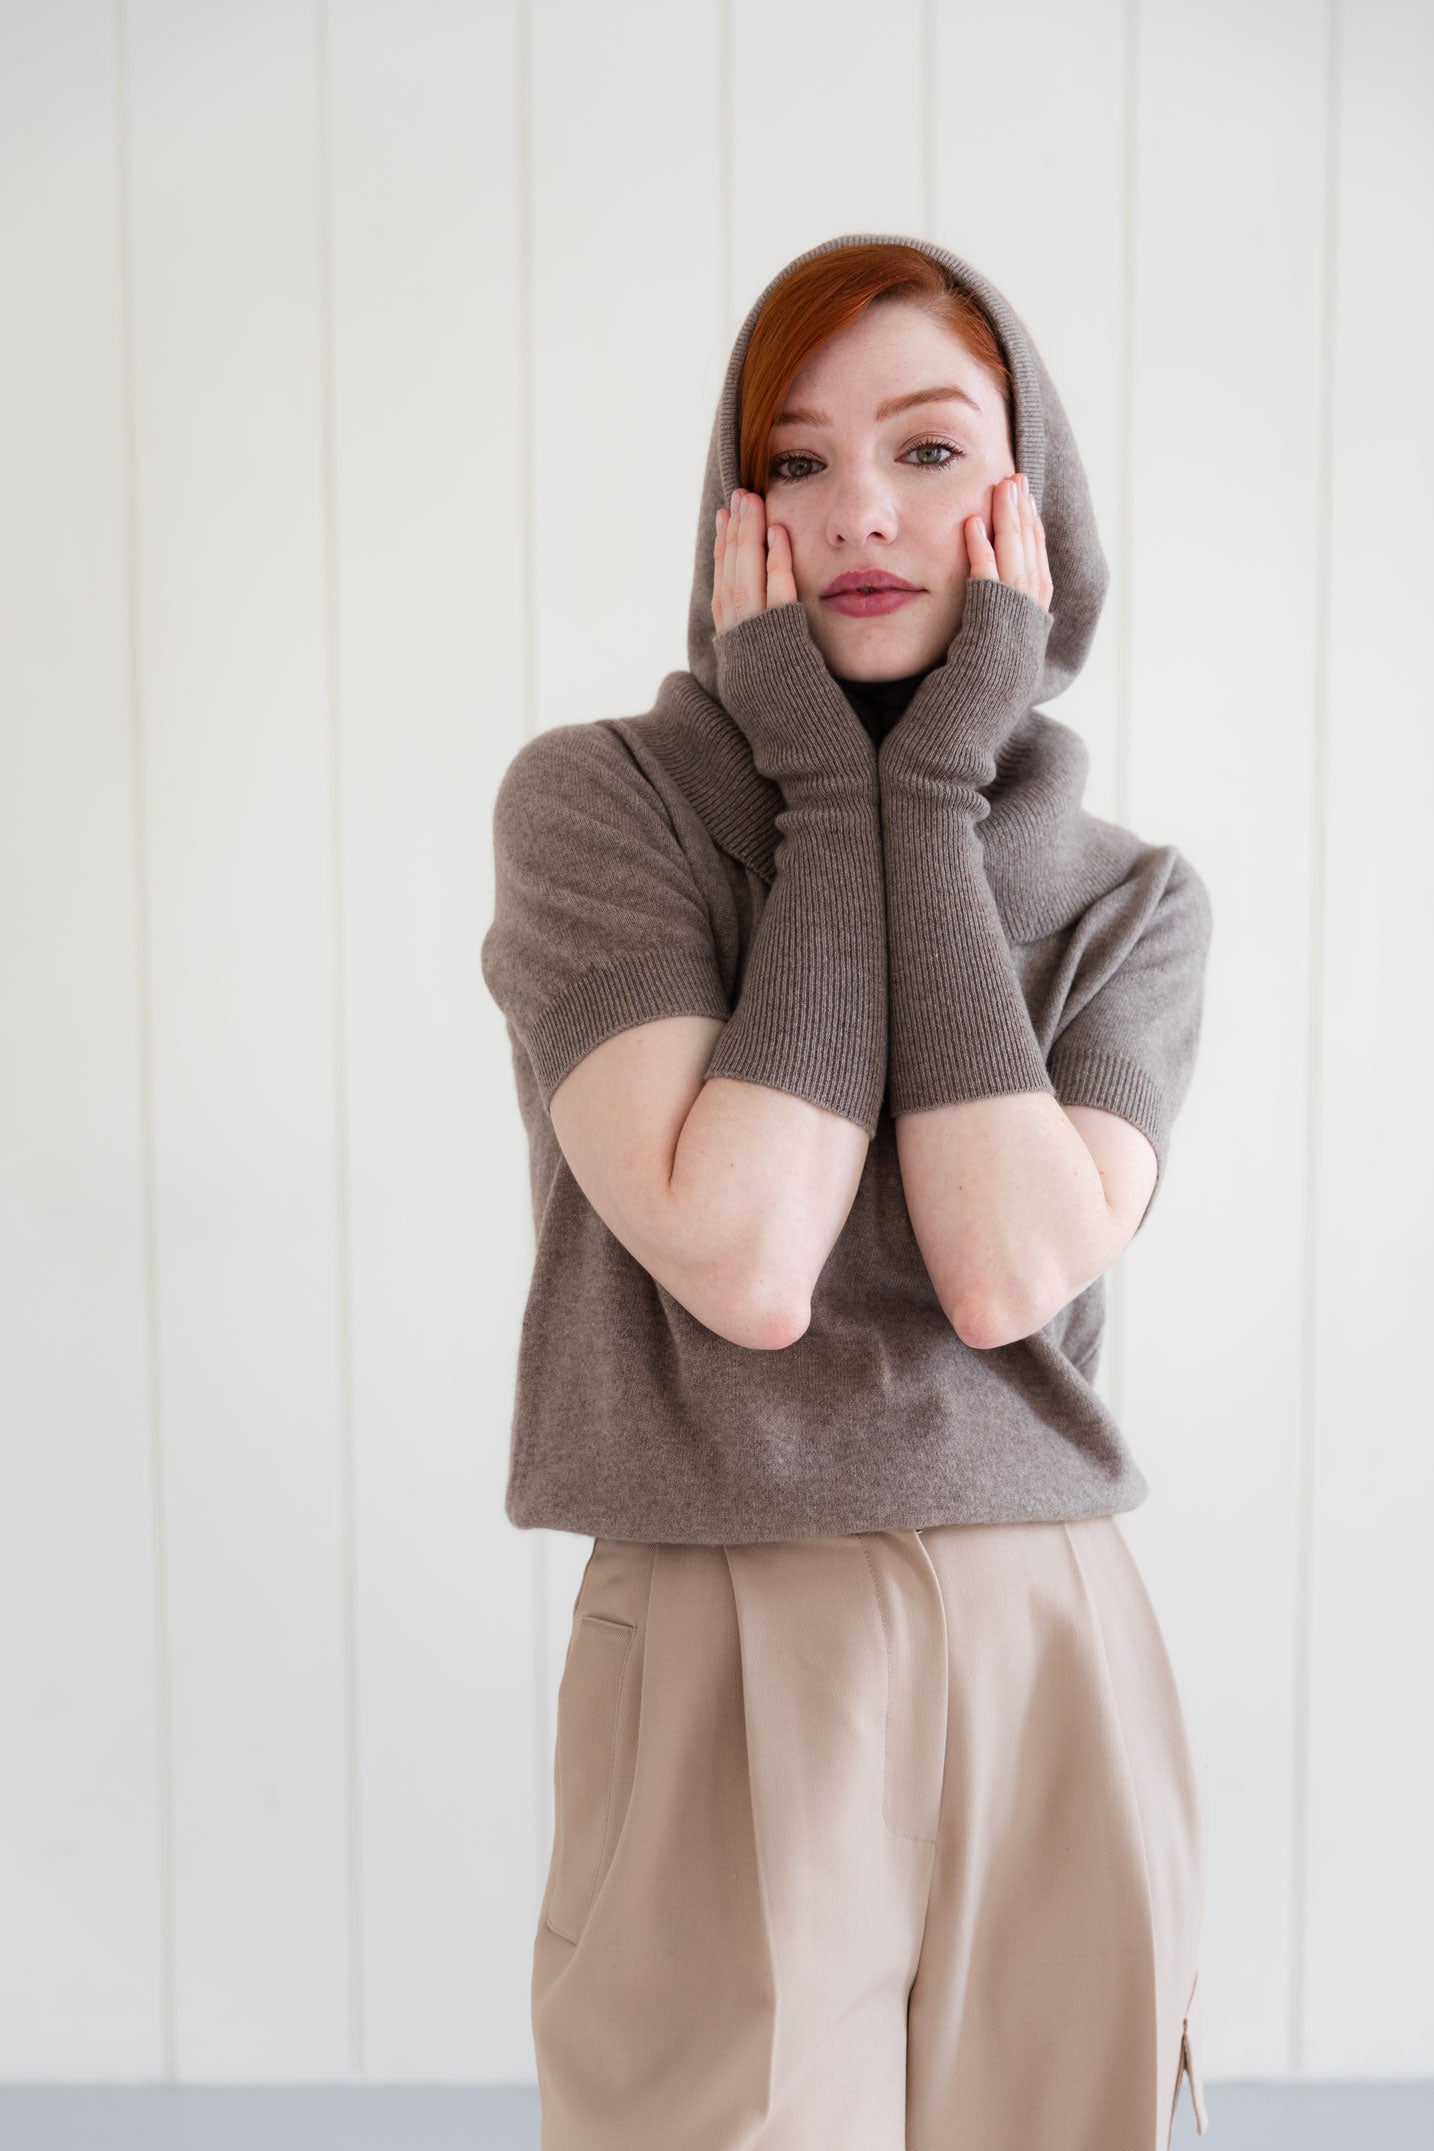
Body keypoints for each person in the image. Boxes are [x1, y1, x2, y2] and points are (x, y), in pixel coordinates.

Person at [480, 232, 1215, 2151]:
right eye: (794, 462)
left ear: (1028, 503)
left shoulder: (1131, 900)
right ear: (738, 514)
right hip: (723, 1615)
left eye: (928, 447)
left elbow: (1001, 1273)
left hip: (1044, 1627)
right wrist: (828, 786)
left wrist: (930, 798)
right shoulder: (601, 807)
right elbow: (742, 1253)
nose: (859, 513)